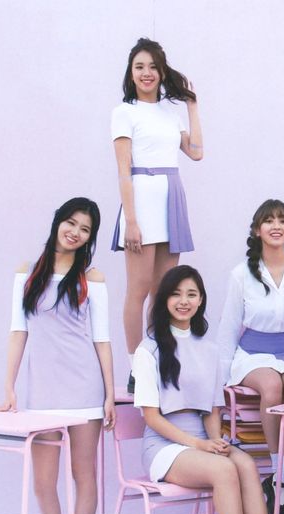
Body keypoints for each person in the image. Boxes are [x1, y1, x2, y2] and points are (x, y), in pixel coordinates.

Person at [133, 265, 284, 514]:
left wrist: (215, 439)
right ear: (164, 300)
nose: (184, 301)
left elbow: (211, 409)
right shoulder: (147, 350)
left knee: (246, 465)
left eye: (192, 294)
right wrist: (199, 446)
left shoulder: (208, 349)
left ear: (201, 301)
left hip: (201, 443)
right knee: (225, 471)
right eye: (177, 294)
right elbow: (152, 417)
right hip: (164, 446)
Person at [0, 197, 116, 514]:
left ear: (90, 237)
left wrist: (110, 394)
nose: (75, 232)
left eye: (85, 229)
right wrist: (10, 387)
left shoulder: (91, 279)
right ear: (57, 222)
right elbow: (19, 331)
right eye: (71, 222)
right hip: (42, 393)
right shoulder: (26, 274)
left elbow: (102, 340)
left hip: (84, 389)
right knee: (43, 480)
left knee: (83, 474)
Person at [111, 37, 203, 393]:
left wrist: (193, 108)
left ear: (162, 71)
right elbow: (123, 169)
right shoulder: (125, 112)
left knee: (163, 290)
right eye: (139, 67)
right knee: (138, 288)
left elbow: (195, 152)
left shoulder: (170, 110)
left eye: (152, 66)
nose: (146, 73)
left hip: (171, 196)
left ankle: (158, 355)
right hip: (142, 198)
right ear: (131, 73)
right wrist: (131, 220)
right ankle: (136, 366)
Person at [218, 200, 284, 514]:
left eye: (283, 221)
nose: (277, 226)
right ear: (257, 229)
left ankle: (280, 481)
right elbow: (229, 327)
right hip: (254, 351)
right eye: (269, 221)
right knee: (272, 384)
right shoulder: (240, 274)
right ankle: (279, 475)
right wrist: (219, 383)